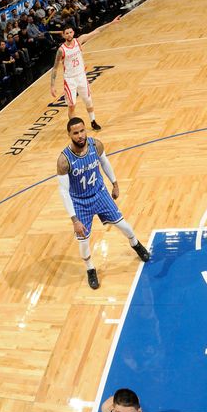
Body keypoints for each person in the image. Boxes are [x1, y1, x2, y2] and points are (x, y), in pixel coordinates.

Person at [57, 117, 150, 289]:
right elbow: (63, 191)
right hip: (80, 203)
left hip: (100, 194)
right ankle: (90, 269)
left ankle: (136, 244)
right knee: (83, 241)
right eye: (75, 133)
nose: (80, 135)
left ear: (86, 130)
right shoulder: (64, 160)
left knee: (125, 226)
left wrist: (114, 183)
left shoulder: (96, 145)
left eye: (82, 131)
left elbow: (105, 162)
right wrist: (74, 220)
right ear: (69, 134)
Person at [50, 15, 121, 130]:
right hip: (70, 79)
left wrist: (111, 23)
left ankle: (93, 121)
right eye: (66, 33)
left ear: (73, 32)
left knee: (88, 100)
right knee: (72, 105)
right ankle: (73, 127)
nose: (69, 35)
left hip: (81, 76)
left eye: (70, 32)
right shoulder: (61, 50)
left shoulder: (79, 41)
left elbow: (96, 31)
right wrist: (52, 86)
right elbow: (55, 68)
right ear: (63, 35)